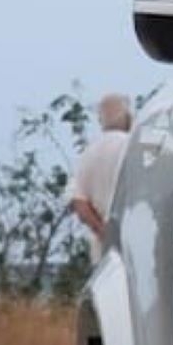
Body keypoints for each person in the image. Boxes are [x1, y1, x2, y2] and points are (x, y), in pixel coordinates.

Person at [69, 94, 134, 244]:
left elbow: (79, 202)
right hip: (136, 242)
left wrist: (101, 230)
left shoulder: (89, 152)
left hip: (104, 249)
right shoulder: (133, 147)